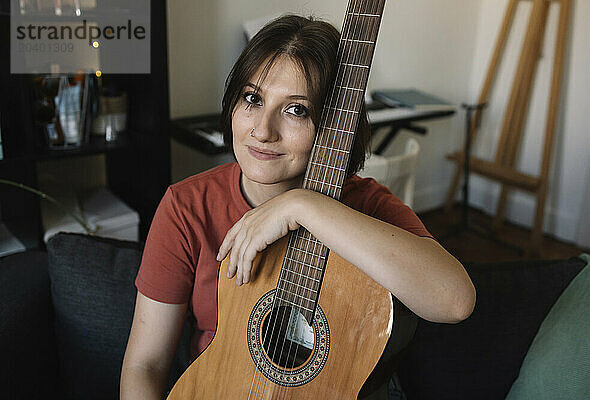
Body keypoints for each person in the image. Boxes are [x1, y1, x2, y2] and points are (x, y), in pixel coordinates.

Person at [120, 14, 476, 400]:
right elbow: (145, 366)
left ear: (334, 124)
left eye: (296, 110)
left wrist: (303, 207)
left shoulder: (366, 207)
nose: (262, 130)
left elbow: (455, 302)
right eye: (252, 99)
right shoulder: (187, 207)